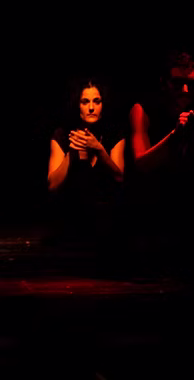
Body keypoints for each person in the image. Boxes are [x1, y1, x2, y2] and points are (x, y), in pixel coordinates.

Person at [127, 49, 194, 277]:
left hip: (186, 200)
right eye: (177, 83)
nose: (185, 90)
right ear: (164, 83)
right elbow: (141, 164)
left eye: (191, 84)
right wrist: (175, 136)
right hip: (148, 205)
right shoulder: (142, 109)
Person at [47, 77, 125, 269]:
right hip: (71, 222)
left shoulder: (113, 134)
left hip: (107, 225)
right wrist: (71, 153)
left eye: (96, 101)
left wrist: (99, 150)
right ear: (77, 105)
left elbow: (119, 177)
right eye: (85, 102)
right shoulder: (62, 135)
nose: (91, 108)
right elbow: (52, 185)